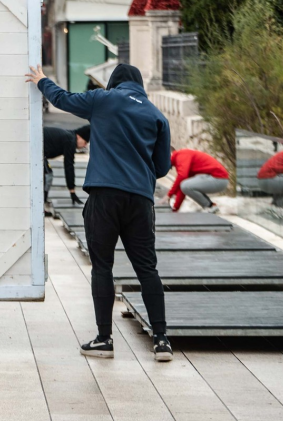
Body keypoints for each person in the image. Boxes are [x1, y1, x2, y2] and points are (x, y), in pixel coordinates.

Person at [26, 63, 173, 362]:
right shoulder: (157, 116)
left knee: (102, 266)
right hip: (141, 201)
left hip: (105, 196)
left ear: (114, 83)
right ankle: (161, 341)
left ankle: (104, 339)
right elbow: (161, 168)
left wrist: (43, 81)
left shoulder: (104, 100)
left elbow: (64, 99)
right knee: (147, 269)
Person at [167, 148, 228, 213]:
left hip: (218, 179)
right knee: (185, 185)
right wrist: (175, 209)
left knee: (185, 185)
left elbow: (182, 177)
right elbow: (182, 187)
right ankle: (211, 206)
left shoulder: (181, 155)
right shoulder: (182, 159)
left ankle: (210, 207)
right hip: (217, 180)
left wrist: (169, 195)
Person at [44, 125, 91, 205]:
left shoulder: (69, 136)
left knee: (46, 174)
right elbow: (69, 165)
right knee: (48, 176)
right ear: (79, 137)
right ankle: (41, 202)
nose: (85, 145)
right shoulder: (70, 140)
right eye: (85, 142)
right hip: (38, 149)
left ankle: (42, 200)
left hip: (40, 149)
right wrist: (72, 191)